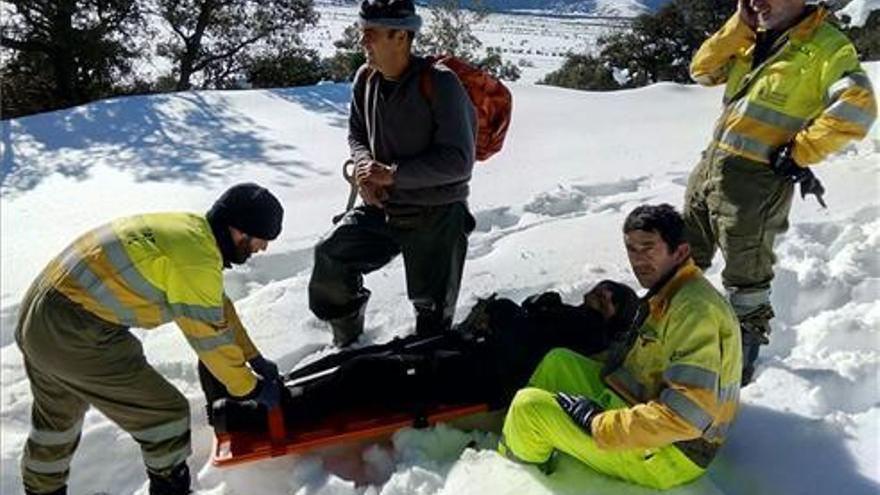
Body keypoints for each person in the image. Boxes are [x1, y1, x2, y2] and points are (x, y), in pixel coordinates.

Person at [14, 183, 286, 495]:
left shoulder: (190, 233)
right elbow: (209, 338)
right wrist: (249, 388)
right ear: (240, 230)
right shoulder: (195, 259)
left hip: (39, 316)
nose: (262, 248)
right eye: (263, 239)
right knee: (165, 415)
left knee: (56, 424)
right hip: (74, 329)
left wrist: (253, 358)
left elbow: (217, 309)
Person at [684, 0, 877, 384]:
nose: (757, 1)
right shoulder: (750, 36)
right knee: (685, 259)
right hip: (711, 166)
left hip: (756, 181)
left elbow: (859, 105)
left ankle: (736, 372)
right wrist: (738, 25)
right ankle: (677, 339)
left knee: (746, 277)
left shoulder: (827, 45)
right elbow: (702, 71)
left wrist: (802, 151)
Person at [498, 204, 742, 490]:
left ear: (680, 252)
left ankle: (513, 479)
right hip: (645, 415)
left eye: (648, 248)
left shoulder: (693, 311)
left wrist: (598, 423)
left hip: (672, 454)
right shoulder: (671, 292)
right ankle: (533, 441)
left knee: (528, 408)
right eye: (632, 249)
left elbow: (685, 418)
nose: (639, 260)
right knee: (559, 361)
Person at [208, 281, 639, 435]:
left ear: (613, 316)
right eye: (603, 287)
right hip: (469, 354)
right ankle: (275, 394)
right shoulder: (568, 314)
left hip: (475, 375)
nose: (600, 293)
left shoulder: (587, 328)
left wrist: (508, 312)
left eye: (610, 297)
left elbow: (525, 344)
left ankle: (258, 416)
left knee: (368, 371)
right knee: (373, 358)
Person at [308, 0, 479, 347]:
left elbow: (459, 161)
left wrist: (393, 175)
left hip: (438, 213)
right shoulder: (366, 78)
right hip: (384, 207)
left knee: (432, 314)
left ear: (401, 37)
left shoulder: (441, 84)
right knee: (332, 258)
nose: (362, 42)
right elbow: (357, 133)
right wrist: (363, 171)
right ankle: (348, 342)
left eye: (370, 34)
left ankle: (432, 369)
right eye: (362, 33)